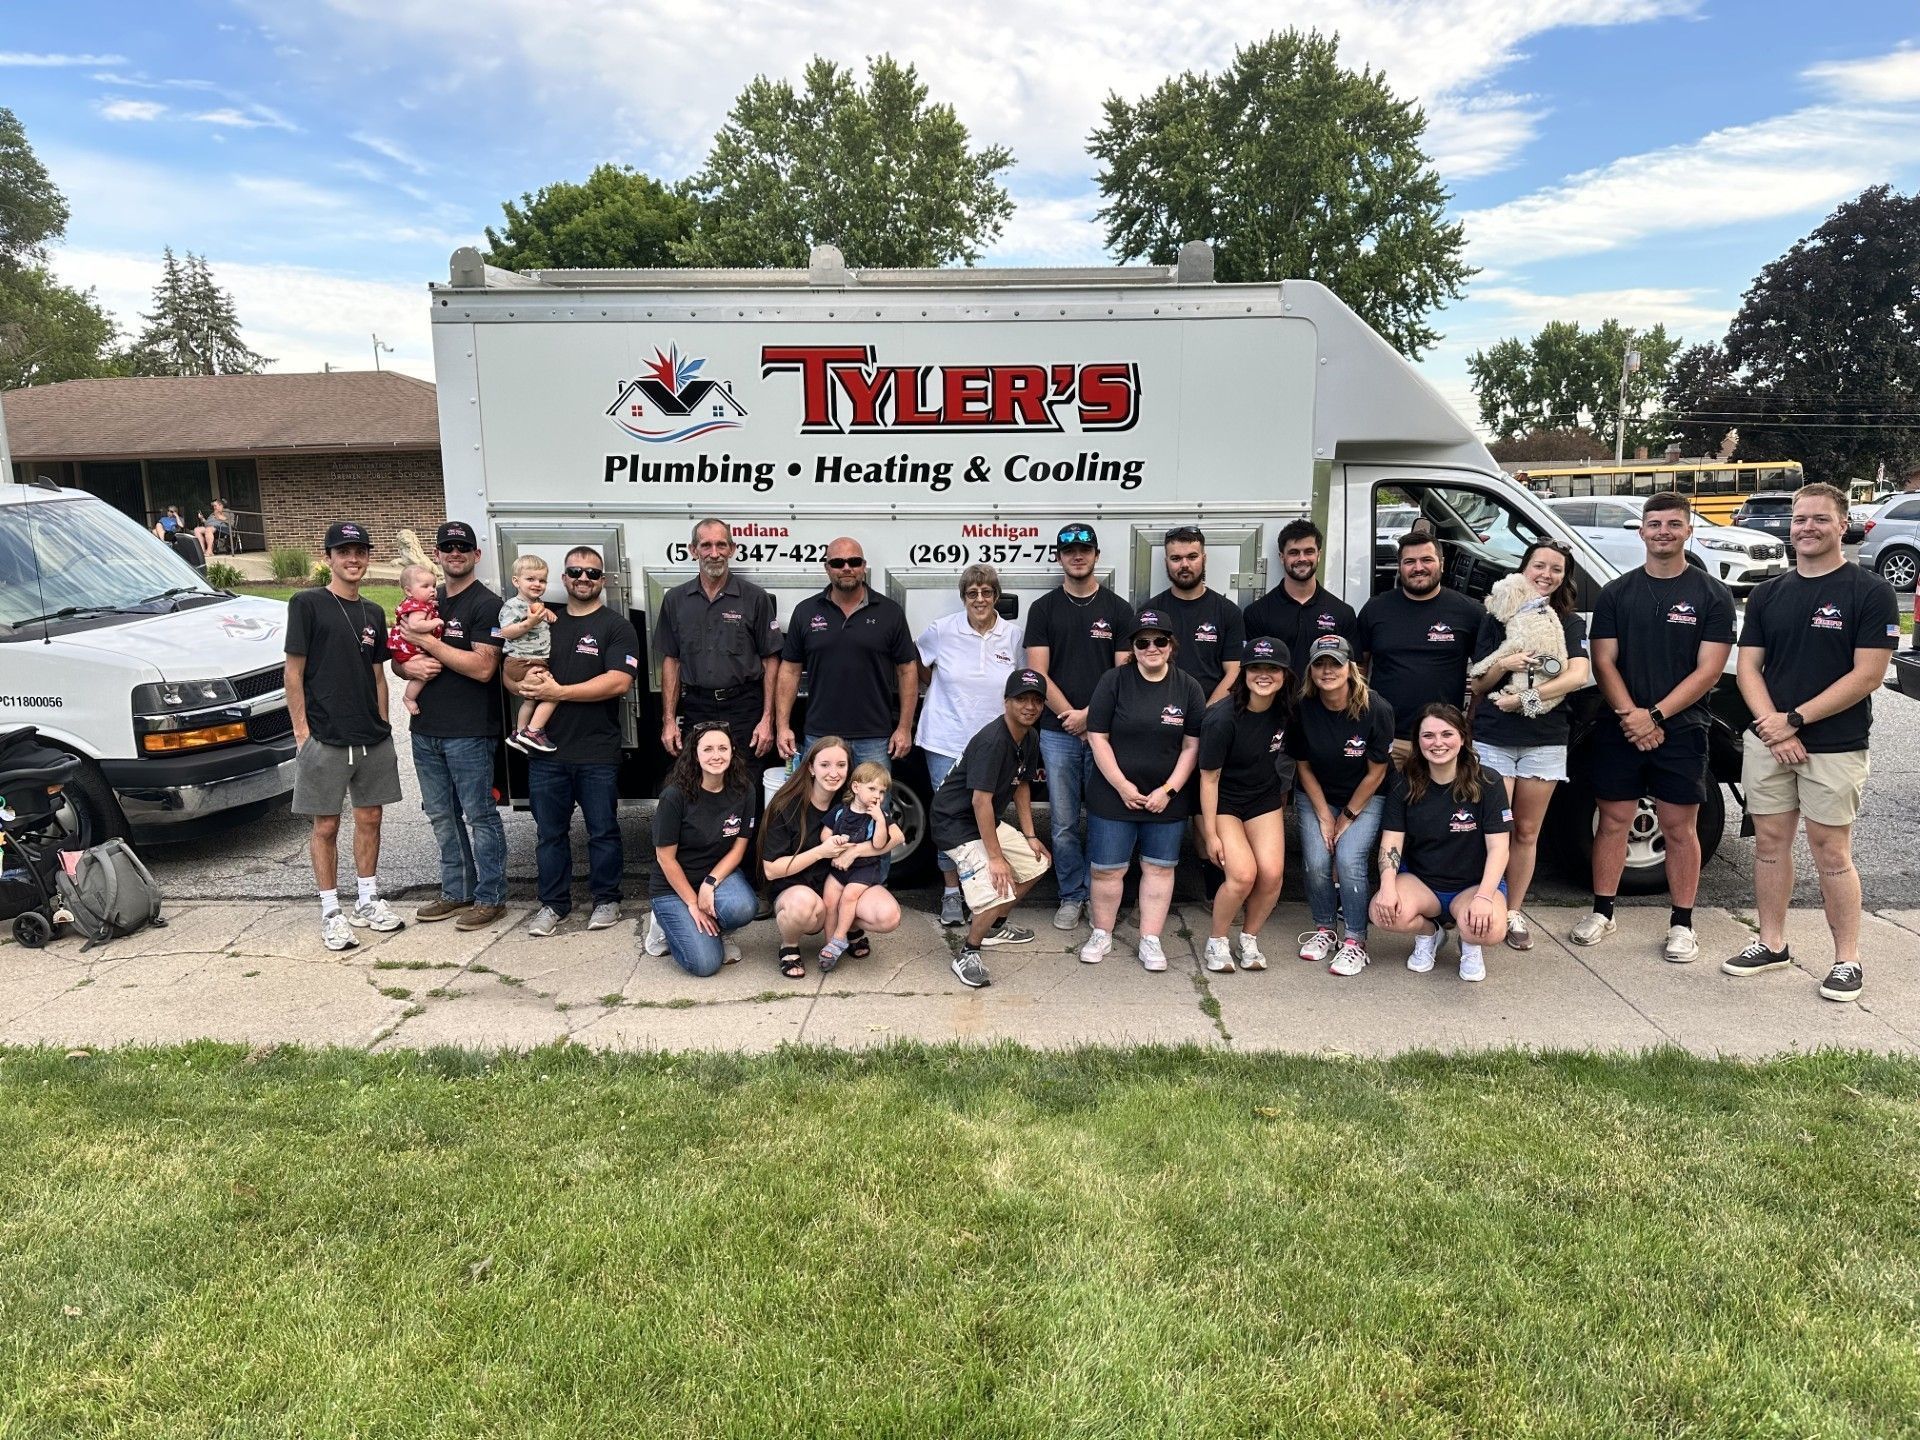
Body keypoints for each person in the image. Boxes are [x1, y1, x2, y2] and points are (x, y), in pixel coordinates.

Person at [1728, 482, 1899, 1003]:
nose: (1807, 527)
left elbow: (1868, 674)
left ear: (1842, 524)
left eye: (1819, 519)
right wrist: (1771, 726)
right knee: (1771, 845)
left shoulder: (1869, 591)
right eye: (1800, 519)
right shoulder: (1769, 592)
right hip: (1771, 741)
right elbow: (1748, 668)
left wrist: (1795, 720)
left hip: (1834, 744)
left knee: (1831, 851)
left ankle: (1847, 959)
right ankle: (1772, 942)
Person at [1576, 493, 1735, 962]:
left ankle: (1682, 923)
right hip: (1621, 727)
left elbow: (1709, 670)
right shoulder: (1617, 593)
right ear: (1641, 532)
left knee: (1680, 828)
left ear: (1689, 530)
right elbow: (1603, 661)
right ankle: (1602, 912)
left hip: (1682, 729)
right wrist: (1632, 716)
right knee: (1613, 823)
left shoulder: (1712, 594)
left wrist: (1657, 715)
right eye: (1654, 524)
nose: (1662, 531)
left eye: (1672, 524)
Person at [284, 520, 405, 951]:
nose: (353, 560)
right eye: (343, 552)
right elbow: (293, 673)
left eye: (360, 552)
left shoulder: (373, 612)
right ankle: (332, 910)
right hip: (325, 736)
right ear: (329, 559)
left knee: (371, 817)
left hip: (371, 735)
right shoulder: (307, 604)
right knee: (327, 824)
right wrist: (302, 732)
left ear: (368, 558)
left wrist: (383, 722)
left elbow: (378, 675)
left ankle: (368, 899)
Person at [1465, 540, 1591, 951]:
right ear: (1523, 569)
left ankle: (1514, 910)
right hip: (1494, 738)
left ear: (1563, 577)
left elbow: (1576, 677)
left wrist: (1524, 700)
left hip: (1544, 741)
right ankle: (1482, 903)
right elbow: (1479, 685)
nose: (1546, 574)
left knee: (1527, 831)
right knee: (1491, 828)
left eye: (1556, 569)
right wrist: (1504, 664)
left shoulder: (1568, 623)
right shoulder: (1497, 615)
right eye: (1539, 566)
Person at [389, 520, 509, 932]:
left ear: (476, 555)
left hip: (470, 731)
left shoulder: (487, 604)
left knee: (479, 815)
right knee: (442, 815)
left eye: (463, 547)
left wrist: (428, 644)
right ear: (437, 556)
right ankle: (456, 892)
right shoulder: (427, 600)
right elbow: (398, 656)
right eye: (447, 547)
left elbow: (482, 668)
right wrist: (406, 666)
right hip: (425, 731)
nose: (454, 553)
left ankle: (490, 897)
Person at [518, 546, 640, 938]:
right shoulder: (544, 620)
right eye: (575, 572)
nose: (583, 579)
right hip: (546, 751)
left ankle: (606, 900)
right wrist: (517, 681)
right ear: (564, 578)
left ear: (602, 581)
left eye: (592, 573)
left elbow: (619, 681)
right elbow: (512, 663)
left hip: (596, 751)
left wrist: (559, 692)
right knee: (549, 834)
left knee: (603, 830)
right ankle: (552, 906)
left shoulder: (616, 626)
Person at [1078, 609, 1207, 972]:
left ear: (1171, 645)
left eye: (1160, 641)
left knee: (1159, 869)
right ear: (1133, 648)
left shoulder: (1188, 687)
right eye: (1142, 642)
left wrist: (1169, 790)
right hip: (1113, 794)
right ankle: (1101, 932)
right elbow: (1097, 737)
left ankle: (1150, 939)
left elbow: (1191, 747)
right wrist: (1122, 786)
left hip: (1165, 797)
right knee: (1107, 870)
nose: (1152, 647)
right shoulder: (1113, 681)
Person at [1023, 521, 1134, 931]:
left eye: (1085, 549)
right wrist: (1073, 717)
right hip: (1058, 733)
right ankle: (1072, 894)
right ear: (1059, 556)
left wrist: (1091, 717)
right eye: (1069, 550)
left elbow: (1123, 673)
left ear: (1096, 556)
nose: (1077, 556)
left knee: (1107, 816)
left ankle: (1104, 892)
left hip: (1106, 732)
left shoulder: (1120, 610)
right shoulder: (1044, 609)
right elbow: (1037, 672)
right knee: (1065, 821)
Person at [1369, 703, 1512, 983]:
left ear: (1462, 737)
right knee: (1381, 911)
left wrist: (1484, 897)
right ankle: (1429, 934)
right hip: (1423, 883)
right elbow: (1391, 843)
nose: (1437, 743)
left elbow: (1499, 848)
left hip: (1472, 886)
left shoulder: (1489, 781)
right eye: (1428, 736)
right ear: (1417, 741)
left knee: (1490, 928)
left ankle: (1470, 945)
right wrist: (1387, 887)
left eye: (1447, 734)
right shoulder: (1405, 783)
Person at [916, 563, 1023, 927]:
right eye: (972, 593)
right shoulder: (942, 630)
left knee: (986, 815)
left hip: (993, 747)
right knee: (949, 819)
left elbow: (1022, 683)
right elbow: (916, 664)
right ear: (964, 597)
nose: (980, 599)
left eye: (987, 592)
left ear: (996, 596)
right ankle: (950, 892)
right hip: (946, 739)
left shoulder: (1012, 635)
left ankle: (978, 889)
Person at [932, 669, 1053, 988]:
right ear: (1006, 702)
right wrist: (996, 858)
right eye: (1021, 699)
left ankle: (996, 927)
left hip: (980, 819)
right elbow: (980, 802)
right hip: (954, 822)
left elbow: (1022, 785)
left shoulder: (1030, 735)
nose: (1029, 706)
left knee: (1037, 863)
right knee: (993, 886)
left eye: (1036, 700)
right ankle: (967, 952)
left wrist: (1030, 835)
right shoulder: (992, 741)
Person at [1286, 635, 1394, 975]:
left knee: (1348, 859)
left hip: (1365, 795)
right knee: (1318, 860)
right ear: (1311, 670)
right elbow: (1302, 764)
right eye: (1319, 663)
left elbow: (1377, 773)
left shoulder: (1376, 708)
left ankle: (1356, 941)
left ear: (1350, 667)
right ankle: (1324, 929)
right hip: (1316, 793)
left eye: (1335, 662)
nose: (1327, 670)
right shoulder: (1302, 707)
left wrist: (1345, 817)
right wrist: (1323, 815)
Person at [759, 737, 903, 979]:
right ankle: (790, 945)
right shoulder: (786, 805)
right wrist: (821, 852)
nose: (834, 773)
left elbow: (896, 837)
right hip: (799, 889)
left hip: (841, 881)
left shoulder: (851, 799)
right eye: (825, 765)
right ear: (811, 768)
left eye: (841, 765)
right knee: (801, 906)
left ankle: (849, 929)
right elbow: (771, 870)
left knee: (889, 916)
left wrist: (855, 851)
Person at [776, 537, 918, 770]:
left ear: (863, 566)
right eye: (838, 562)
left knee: (873, 804)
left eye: (854, 561)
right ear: (826, 568)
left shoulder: (890, 612)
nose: (846, 568)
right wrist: (782, 727)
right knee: (819, 805)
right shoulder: (805, 611)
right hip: (820, 735)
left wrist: (903, 728)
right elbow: (790, 671)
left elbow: (907, 670)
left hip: (874, 738)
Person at [1197, 636, 1292, 974]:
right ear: (1244, 673)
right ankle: (1217, 941)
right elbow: (1208, 779)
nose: (1264, 675)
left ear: (1284, 674)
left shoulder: (1286, 708)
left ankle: (1249, 938)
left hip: (1263, 797)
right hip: (1224, 801)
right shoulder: (1222, 718)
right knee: (1241, 875)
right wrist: (1210, 835)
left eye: (1273, 668)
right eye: (1256, 668)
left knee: (1272, 875)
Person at [658, 517, 781, 775]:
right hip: (696, 706)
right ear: (693, 551)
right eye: (706, 546)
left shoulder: (755, 598)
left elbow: (771, 660)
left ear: (732, 549)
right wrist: (669, 720)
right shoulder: (675, 600)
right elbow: (672, 661)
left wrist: (767, 719)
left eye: (721, 545)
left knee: (747, 781)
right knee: (698, 781)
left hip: (745, 706)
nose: (714, 554)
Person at [643, 721, 759, 978]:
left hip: (716, 877)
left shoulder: (745, 789)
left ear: (732, 752)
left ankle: (716, 929)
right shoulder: (674, 795)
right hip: (673, 887)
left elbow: (738, 850)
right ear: (695, 754)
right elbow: (665, 859)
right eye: (707, 749)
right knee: (706, 964)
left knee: (743, 906)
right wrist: (694, 904)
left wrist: (709, 883)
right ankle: (662, 924)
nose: (716, 755)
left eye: (722, 748)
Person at [1357, 531, 1484, 752]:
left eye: (1426, 560)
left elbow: (1484, 674)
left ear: (1442, 564)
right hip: (1386, 737)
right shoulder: (1375, 609)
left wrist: (1471, 720)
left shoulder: (1471, 612)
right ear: (1400, 566)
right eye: (1409, 561)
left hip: (1442, 741)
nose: (1418, 568)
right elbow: (1359, 667)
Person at [1242, 519, 1360, 674]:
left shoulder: (1343, 613)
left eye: (1309, 551)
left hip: (1323, 698)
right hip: (1277, 698)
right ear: (1281, 557)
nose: (1302, 558)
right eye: (1294, 552)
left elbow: (1353, 670)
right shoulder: (1257, 613)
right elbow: (1252, 670)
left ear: (1319, 555)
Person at [815, 762, 902, 971]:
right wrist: (834, 840)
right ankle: (830, 944)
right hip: (838, 869)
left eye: (881, 792)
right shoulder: (840, 811)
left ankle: (839, 937)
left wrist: (880, 821)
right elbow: (825, 833)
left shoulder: (880, 816)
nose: (877, 796)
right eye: (872, 789)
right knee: (829, 901)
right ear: (855, 788)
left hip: (864, 870)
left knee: (849, 897)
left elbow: (879, 844)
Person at [1146, 525, 1244, 705]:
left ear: (1204, 559)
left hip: (1210, 716)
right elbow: (1139, 669)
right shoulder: (1150, 612)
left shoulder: (1228, 612)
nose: (1184, 565)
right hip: (1158, 716)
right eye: (1176, 558)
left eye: (1192, 557)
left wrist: (1206, 715)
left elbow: (1234, 671)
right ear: (1166, 561)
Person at [498, 553, 559, 753]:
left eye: (542, 580)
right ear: (516, 581)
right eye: (530, 579)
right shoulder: (512, 605)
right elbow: (505, 632)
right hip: (522, 660)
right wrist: (529, 623)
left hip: (530, 660)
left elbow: (538, 614)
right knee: (553, 693)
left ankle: (519, 733)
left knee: (530, 699)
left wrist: (546, 613)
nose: (537, 584)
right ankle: (533, 731)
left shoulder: (537, 604)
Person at [387, 564, 444, 717]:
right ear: (408, 591)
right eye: (425, 586)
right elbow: (415, 625)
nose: (432, 590)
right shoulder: (417, 607)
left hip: (408, 648)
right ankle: (409, 698)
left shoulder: (420, 604)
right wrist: (436, 622)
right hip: (409, 651)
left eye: (433, 585)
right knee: (428, 668)